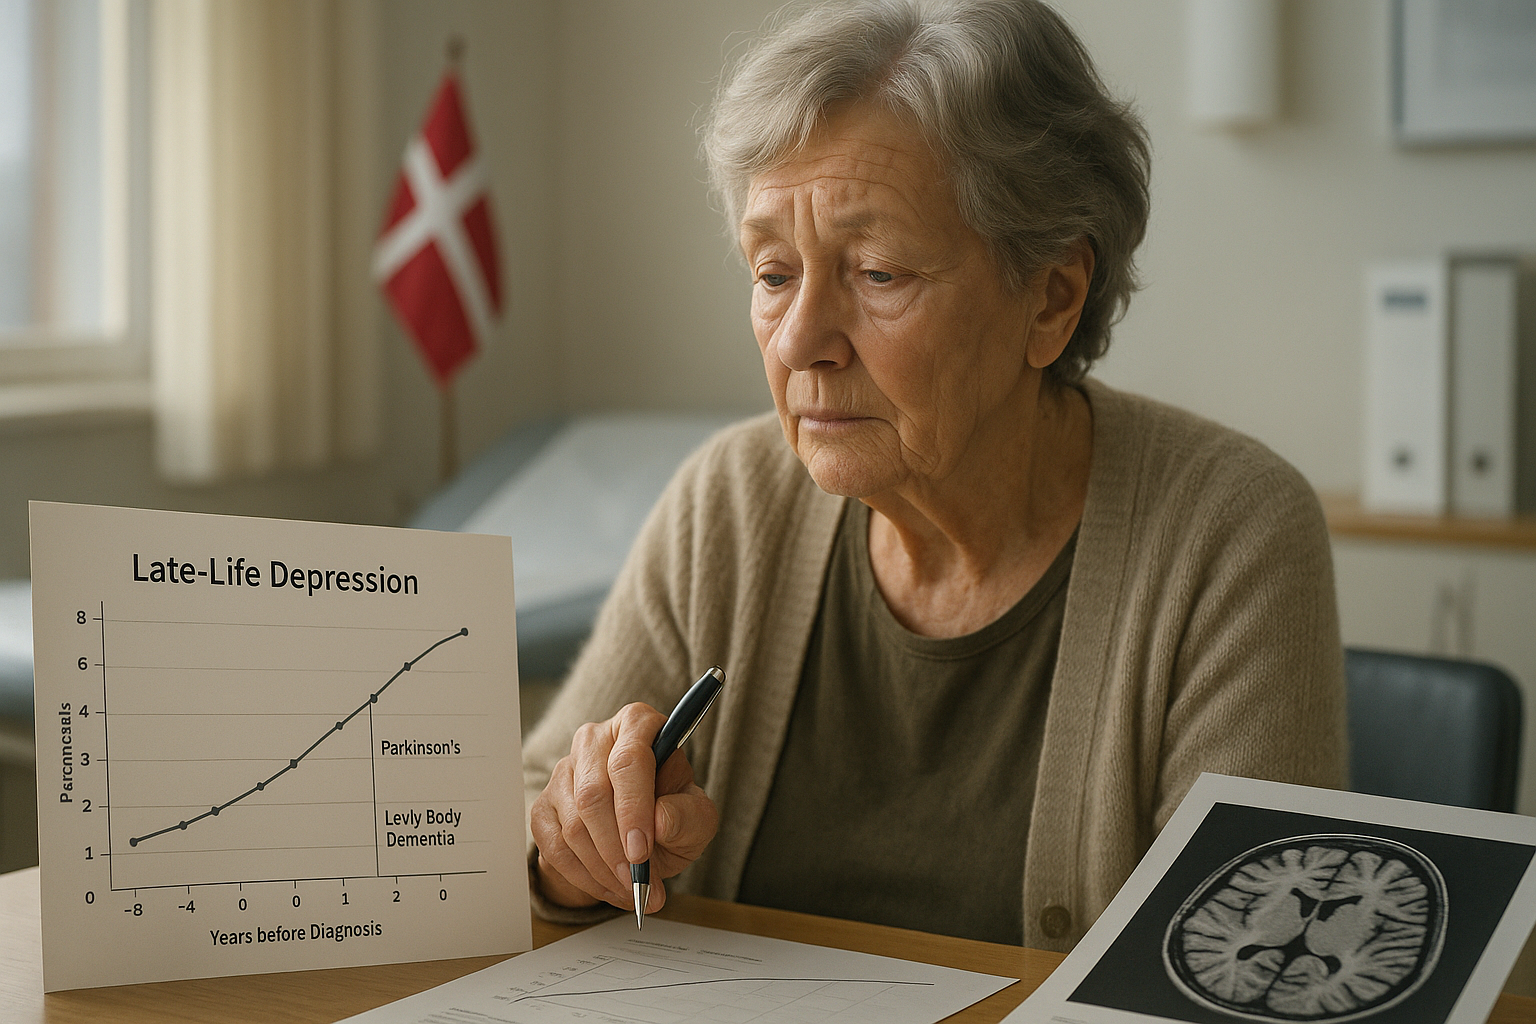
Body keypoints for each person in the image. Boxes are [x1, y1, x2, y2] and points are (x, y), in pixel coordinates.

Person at [523, 0, 1346, 952]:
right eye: (774, 273)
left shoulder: (1230, 535)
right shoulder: (728, 504)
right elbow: (527, 819)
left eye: (878, 273)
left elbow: (1246, 959)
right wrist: (570, 850)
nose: (798, 341)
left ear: (1052, 298)